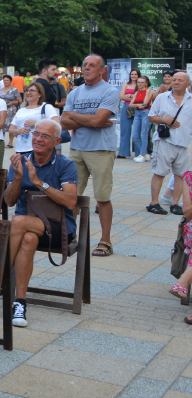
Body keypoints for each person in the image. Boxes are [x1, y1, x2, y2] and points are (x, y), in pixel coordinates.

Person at [0, 120, 78, 327]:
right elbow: (9, 201)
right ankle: (20, 302)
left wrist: (38, 183)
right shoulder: (20, 160)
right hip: (26, 229)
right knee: (28, 239)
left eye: (45, 136)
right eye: (36, 134)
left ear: (56, 141)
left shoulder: (65, 164)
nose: (38, 139)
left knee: (18, 221)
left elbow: (70, 201)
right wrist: (17, 179)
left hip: (58, 228)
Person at [60, 55, 118, 257]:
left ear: (102, 70)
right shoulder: (75, 92)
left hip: (101, 149)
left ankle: (105, 240)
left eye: (92, 65)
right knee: (71, 196)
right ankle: (70, 235)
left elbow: (98, 120)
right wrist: (91, 120)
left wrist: (76, 117)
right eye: (85, 65)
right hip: (77, 148)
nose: (87, 68)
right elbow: (64, 121)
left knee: (102, 197)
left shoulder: (110, 91)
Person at [146, 71, 191, 216]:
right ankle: (154, 203)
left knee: (180, 175)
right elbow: (151, 117)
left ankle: (175, 204)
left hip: (184, 143)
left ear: (187, 83)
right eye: (174, 79)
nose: (176, 82)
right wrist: (164, 119)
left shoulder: (191, 99)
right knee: (159, 173)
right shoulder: (162, 97)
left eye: (180, 80)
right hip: (164, 141)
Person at [7, 82, 62, 155]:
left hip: (39, 149)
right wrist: (18, 131)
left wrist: (37, 123)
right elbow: (11, 129)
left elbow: (56, 125)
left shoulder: (46, 107)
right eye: (27, 90)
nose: (28, 93)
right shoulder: (21, 110)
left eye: (32, 90)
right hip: (20, 149)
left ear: (39, 94)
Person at [128, 75, 154, 161]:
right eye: (138, 82)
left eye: (142, 82)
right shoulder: (136, 92)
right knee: (135, 136)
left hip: (146, 113)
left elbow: (145, 104)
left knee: (144, 134)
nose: (140, 84)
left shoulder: (149, 91)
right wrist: (138, 105)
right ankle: (144, 153)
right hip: (137, 114)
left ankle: (142, 155)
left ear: (146, 83)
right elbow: (130, 105)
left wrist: (136, 105)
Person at [117, 69, 141, 159]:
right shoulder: (126, 84)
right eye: (132, 74)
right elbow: (121, 96)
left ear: (138, 75)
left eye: (135, 74)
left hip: (138, 108)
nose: (133, 76)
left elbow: (142, 97)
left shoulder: (141, 84)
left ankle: (139, 153)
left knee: (137, 131)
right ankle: (123, 153)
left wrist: (129, 97)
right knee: (125, 130)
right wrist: (133, 97)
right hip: (126, 108)